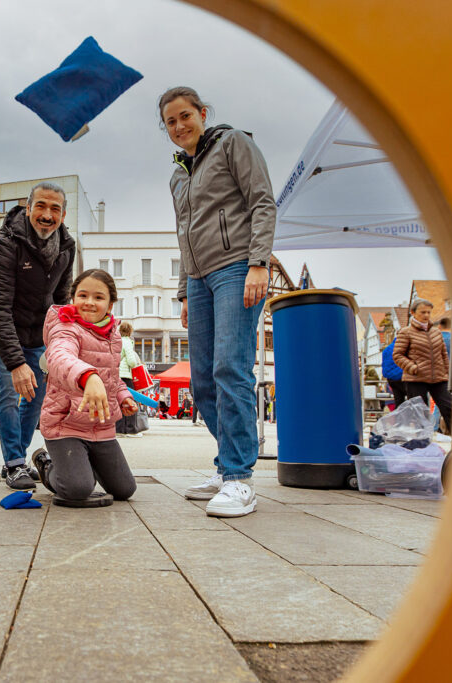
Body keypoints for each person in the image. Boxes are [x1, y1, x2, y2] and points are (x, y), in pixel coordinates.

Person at [161, 86, 276, 517]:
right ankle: (226, 463)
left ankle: (239, 478)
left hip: (235, 268)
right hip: (198, 280)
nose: (179, 126)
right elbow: (183, 233)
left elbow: (262, 201)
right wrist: (183, 291)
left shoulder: (233, 144)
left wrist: (259, 262)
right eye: (170, 122)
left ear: (202, 113)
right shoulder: (177, 175)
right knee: (203, 381)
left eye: (185, 116)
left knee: (231, 366)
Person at [0, 182, 77, 490]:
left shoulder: (66, 245)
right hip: (0, 325)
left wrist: (59, 344)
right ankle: (14, 464)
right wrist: (16, 362)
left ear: (63, 213)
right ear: (29, 207)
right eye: (41, 207)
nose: (47, 215)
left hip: (38, 330)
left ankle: (16, 458)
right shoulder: (7, 244)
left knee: (35, 394)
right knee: (9, 388)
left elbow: (62, 300)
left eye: (55, 209)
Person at [31, 269, 138, 502]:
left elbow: (112, 376)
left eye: (98, 297)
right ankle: (47, 464)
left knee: (124, 490)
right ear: (73, 298)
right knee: (77, 490)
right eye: (82, 295)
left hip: (100, 426)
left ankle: (81, 464)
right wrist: (88, 376)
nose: (89, 302)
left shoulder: (114, 336)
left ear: (110, 305)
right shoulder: (65, 327)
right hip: (66, 423)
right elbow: (59, 358)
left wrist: (122, 396)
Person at [393, 298, 452, 432]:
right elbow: (397, 355)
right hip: (416, 378)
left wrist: (447, 373)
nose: (426, 315)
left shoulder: (436, 332)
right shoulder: (405, 332)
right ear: (413, 313)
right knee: (420, 415)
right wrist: (413, 368)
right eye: (423, 312)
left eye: (428, 312)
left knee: (450, 408)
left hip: (438, 378)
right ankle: (423, 445)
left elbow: (443, 354)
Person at [115, 321, 143, 438]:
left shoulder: (118, 341)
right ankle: (131, 429)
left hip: (117, 375)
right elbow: (131, 361)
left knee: (120, 402)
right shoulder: (127, 342)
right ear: (130, 331)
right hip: (126, 375)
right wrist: (135, 366)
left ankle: (119, 429)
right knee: (131, 401)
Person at [381, 337, 406, 409]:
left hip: (391, 379)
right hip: (401, 377)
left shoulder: (386, 349)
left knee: (398, 400)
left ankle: (399, 418)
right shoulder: (403, 348)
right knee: (411, 398)